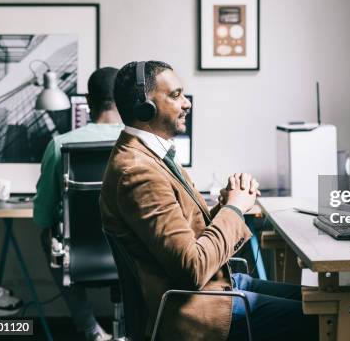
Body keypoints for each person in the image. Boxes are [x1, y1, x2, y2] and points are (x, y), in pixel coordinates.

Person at [100, 60, 318, 341]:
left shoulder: (150, 155)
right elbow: (192, 269)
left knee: (324, 299)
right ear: (145, 106)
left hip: (212, 289)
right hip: (196, 309)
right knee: (325, 315)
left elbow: (186, 240)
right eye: (176, 95)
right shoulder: (138, 172)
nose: (187, 103)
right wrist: (234, 208)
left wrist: (225, 205)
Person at [33, 67, 123, 341]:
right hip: (131, 255)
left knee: (46, 237)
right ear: (121, 98)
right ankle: (136, 324)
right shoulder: (143, 143)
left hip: (80, 257)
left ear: (87, 100)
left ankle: (90, 329)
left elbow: (43, 214)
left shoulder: (60, 144)